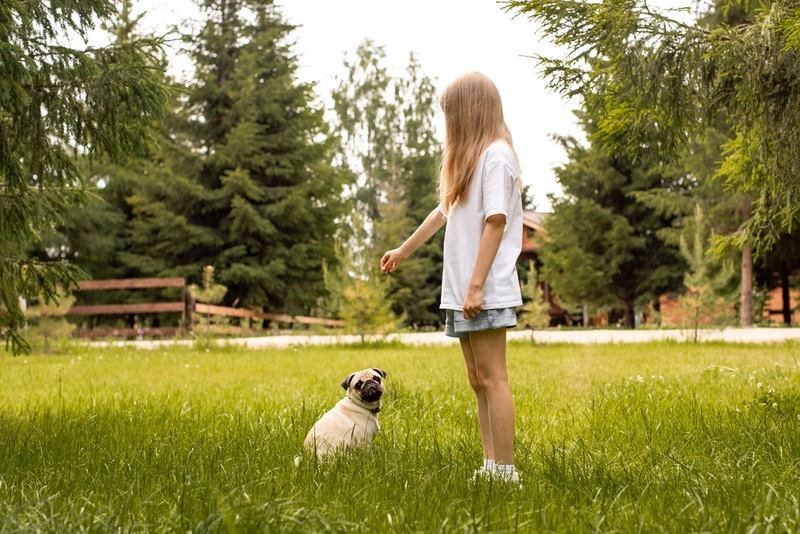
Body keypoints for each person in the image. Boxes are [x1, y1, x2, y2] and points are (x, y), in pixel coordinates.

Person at [380, 72, 523, 483]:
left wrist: (476, 285)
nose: (448, 123)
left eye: (451, 114)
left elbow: (495, 223)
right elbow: (443, 212)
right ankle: (491, 464)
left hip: (483, 290)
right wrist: (404, 250)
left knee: (493, 378)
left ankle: (507, 472)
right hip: (462, 291)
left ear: (468, 111)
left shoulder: (497, 156)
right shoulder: (471, 160)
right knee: (477, 380)